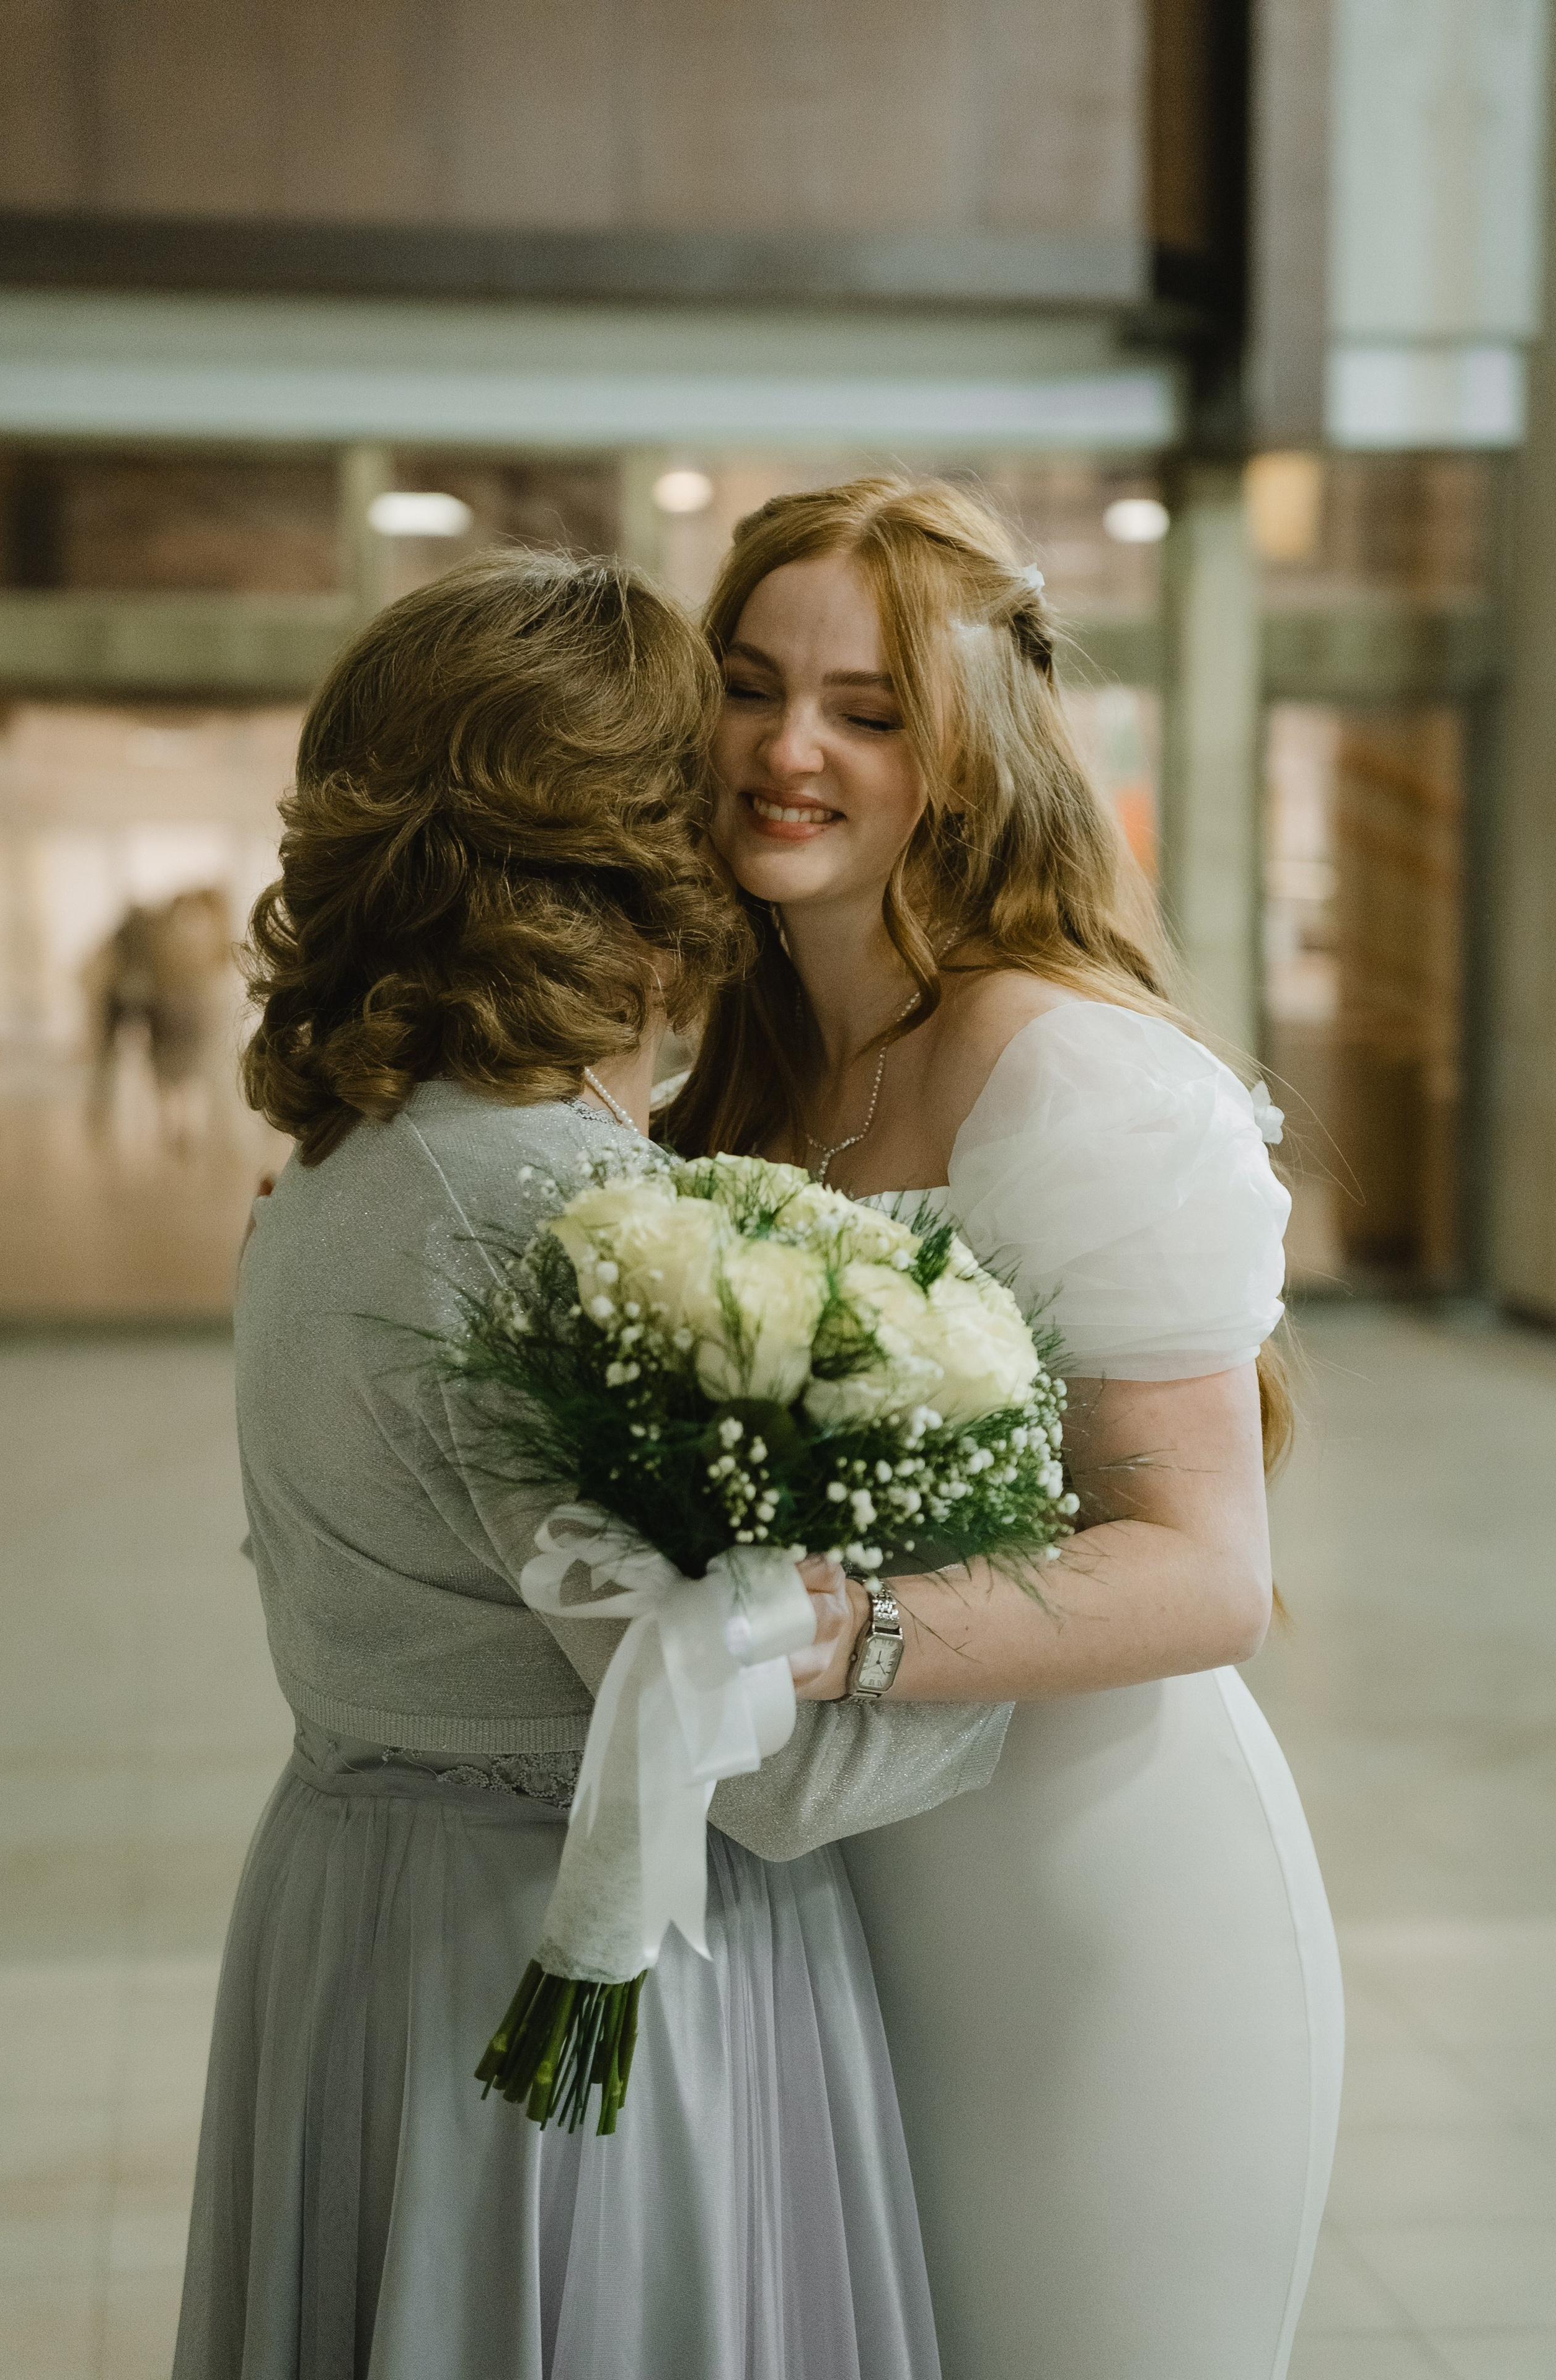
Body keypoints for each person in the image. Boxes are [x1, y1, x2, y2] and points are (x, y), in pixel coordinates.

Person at [174, 552, 1013, 2380]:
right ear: (636, 843)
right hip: (561, 1945)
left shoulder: (346, 1161)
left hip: (355, 1901)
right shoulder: (556, 1209)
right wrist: (1018, 1630)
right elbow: (757, 1776)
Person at [668, 476, 1344, 2380]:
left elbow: (1208, 1571)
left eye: (870, 711)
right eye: (750, 686)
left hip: (1091, 1898)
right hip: (841, 1895)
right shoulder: (744, 1074)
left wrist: (836, 1633)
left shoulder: (1064, 1066)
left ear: (965, 758)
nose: (791, 749)